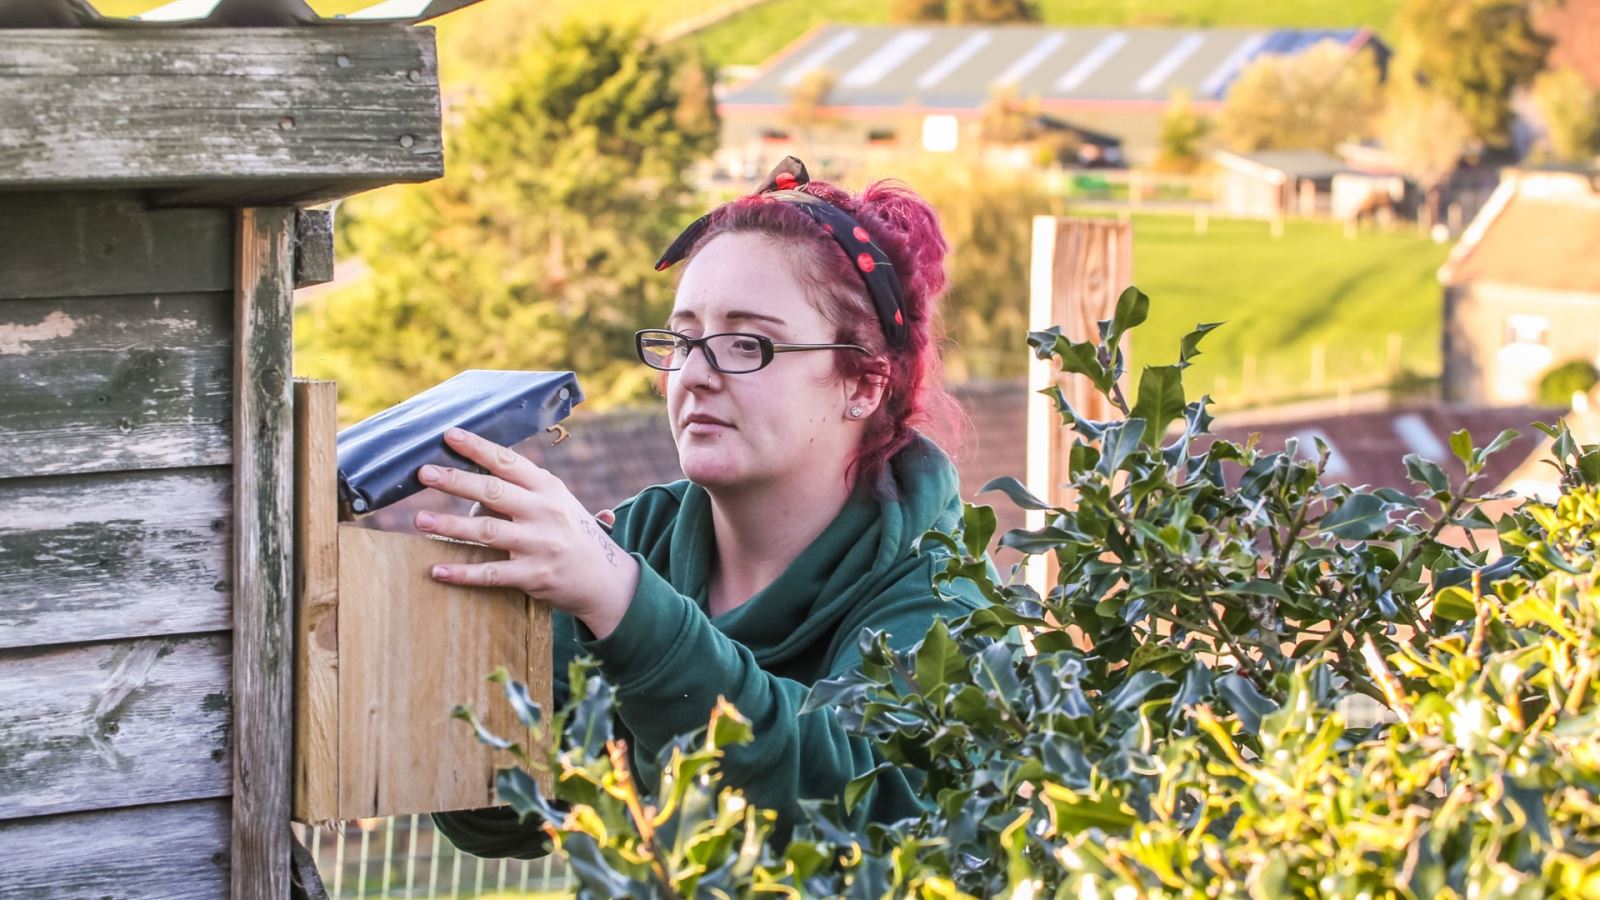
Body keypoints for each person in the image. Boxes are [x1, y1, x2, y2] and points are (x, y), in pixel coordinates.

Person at [420, 158, 991, 857]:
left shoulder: (945, 603)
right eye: (682, 339)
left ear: (864, 384)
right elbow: (501, 822)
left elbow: (850, 823)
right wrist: (481, 636)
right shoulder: (637, 543)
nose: (692, 374)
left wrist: (628, 608)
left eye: (745, 344)